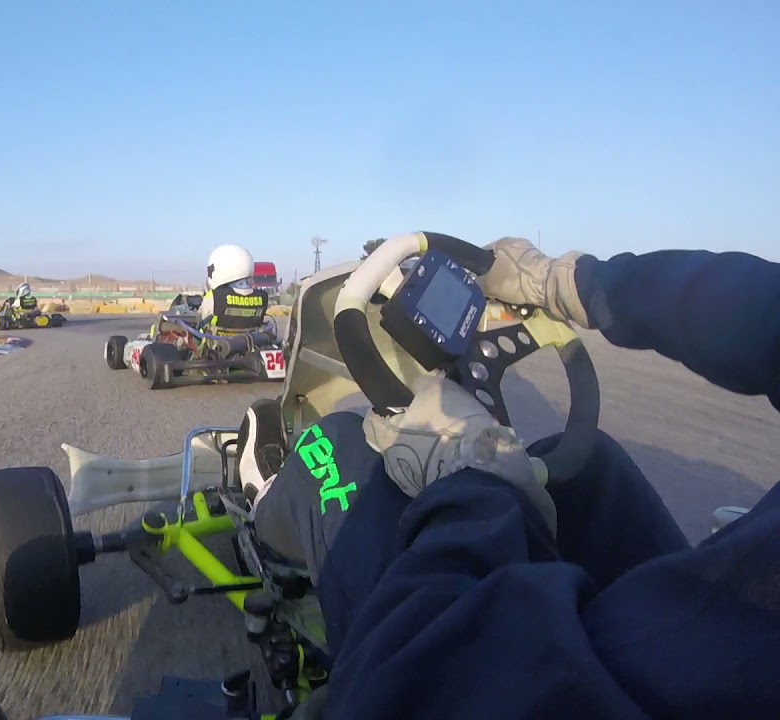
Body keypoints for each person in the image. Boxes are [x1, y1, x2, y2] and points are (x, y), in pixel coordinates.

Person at [238, 238, 780, 718]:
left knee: (337, 443)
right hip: (712, 628)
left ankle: (266, 509)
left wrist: (471, 479)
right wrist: (574, 283)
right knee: (589, 472)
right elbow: (761, 312)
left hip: (581, 691)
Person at [200, 244, 271, 335]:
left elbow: (202, 320)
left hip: (219, 347)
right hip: (252, 345)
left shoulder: (213, 297)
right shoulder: (263, 297)